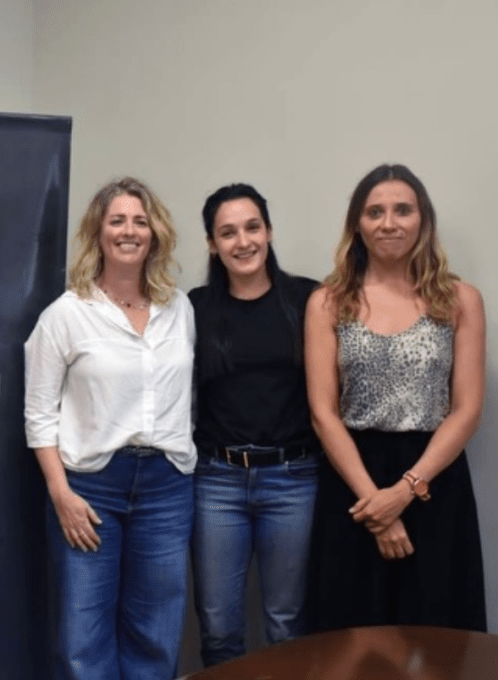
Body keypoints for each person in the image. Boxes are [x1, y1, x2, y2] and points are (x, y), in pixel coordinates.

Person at [24, 177, 195, 680]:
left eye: (140, 221)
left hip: (167, 487)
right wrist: (61, 493)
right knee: (84, 633)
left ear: (155, 233)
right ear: (98, 233)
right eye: (117, 221)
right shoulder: (66, 315)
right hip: (90, 488)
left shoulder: (179, 309)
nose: (129, 231)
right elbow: (39, 416)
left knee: (156, 632)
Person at [305, 164, 486, 631]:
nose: (389, 223)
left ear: (423, 220)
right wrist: (377, 505)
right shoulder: (328, 302)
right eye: (375, 212)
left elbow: (466, 410)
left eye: (402, 210)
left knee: (438, 637)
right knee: (351, 636)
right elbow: (324, 414)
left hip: (433, 478)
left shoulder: (460, 299)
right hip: (353, 482)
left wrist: (405, 491)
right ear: (357, 224)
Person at [189, 184, 321, 666]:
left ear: (269, 232)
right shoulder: (195, 308)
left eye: (252, 228)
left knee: (287, 624)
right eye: (228, 233)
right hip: (216, 482)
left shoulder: (309, 298)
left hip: (293, 480)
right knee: (218, 626)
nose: (242, 242)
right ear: (212, 244)